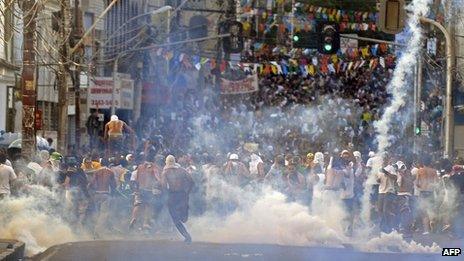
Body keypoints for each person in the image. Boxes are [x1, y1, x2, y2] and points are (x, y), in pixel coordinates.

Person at [161, 155, 194, 243]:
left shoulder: (165, 172)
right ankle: (184, 215)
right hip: (183, 194)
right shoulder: (182, 171)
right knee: (182, 217)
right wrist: (187, 192)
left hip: (173, 196)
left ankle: (187, 236)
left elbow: (163, 186)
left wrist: (166, 195)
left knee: (176, 219)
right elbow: (191, 181)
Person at [129, 154, 162, 230]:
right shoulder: (153, 167)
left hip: (140, 189)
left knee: (137, 204)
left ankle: (134, 218)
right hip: (148, 190)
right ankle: (145, 223)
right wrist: (158, 184)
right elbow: (158, 179)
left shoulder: (140, 167)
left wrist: (136, 189)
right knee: (148, 206)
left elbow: (135, 179)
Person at [88, 158, 116, 236]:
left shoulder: (97, 171)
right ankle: (97, 231)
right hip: (105, 195)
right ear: (108, 164)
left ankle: (93, 230)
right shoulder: (111, 172)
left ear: (100, 163)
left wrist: (89, 191)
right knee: (103, 214)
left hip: (97, 194)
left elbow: (92, 183)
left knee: (96, 212)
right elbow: (114, 185)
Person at [416, 156, 439, 235]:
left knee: (424, 212)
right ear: (430, 162)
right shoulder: (434, 171)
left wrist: (421, 186)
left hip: (423, 192)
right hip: (431, 192)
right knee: (431, 210)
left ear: (423, 162)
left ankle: (426, 230)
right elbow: (437, 182)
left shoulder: (420, 170)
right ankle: (432, 223)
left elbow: (417, 183)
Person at [396, 161, 415, 238]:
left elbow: (399, 184)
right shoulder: (409, 173)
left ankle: (406, 232)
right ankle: (407, 231)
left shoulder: (401, 174)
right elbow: (411, 184)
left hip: (402, 195)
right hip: (408, 195)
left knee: (404, 213)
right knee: (406, 213)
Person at [377, 164, 398, 233]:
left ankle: (388, 227)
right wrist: (377, 179)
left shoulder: (391, 168)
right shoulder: (379, 169)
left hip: (389, 191)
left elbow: (395, 177)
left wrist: (386, 172)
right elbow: (378, 180)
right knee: (380, 210)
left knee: (386, 210)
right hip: (381, 191)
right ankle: (383, 227)